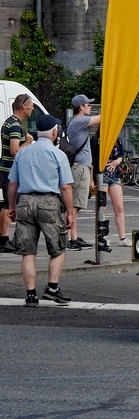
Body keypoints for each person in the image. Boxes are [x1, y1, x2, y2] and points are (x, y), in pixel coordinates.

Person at [7, 113, 74, 306]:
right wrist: (69, 211)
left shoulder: (23, 153)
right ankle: (52, 288)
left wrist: (12, 207)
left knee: (28, 252)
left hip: (25, 202)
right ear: (55, 132)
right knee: (58, 247)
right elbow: (66, 187)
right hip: (49, 202)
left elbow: (12, 184)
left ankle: (30, 295)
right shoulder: (58, 154)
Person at [0, 94, 35, 252]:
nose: (33, 108)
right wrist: (28, 142)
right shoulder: (14, 126)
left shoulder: (11, 122)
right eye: (31, 105)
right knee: (9, 205)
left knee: (9, 205)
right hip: (10, 172)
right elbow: (15, 151)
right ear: (23, 106)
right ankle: (4, 240)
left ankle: (5, 238)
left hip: (7, 170)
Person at [66, 94, 98, 250]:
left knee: (76, 204)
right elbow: (100, 119)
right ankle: (69, 238)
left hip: (81, 167)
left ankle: (74, 237)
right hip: (79, 167)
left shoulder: (78, 123)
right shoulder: (78, 121)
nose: (90, 107)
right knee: (73, 205)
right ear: (81, 107)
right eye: (88, 104)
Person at [101, 136, 130, 247]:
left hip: (115, 176)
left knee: (119, 207)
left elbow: (122, 154)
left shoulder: (118, 139)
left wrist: (117, 161)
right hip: (102, 176)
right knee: (102, 208)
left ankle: (122, 237)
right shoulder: (98, 140)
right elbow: (94, 159)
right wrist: (92, 178)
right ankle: (103, 237)